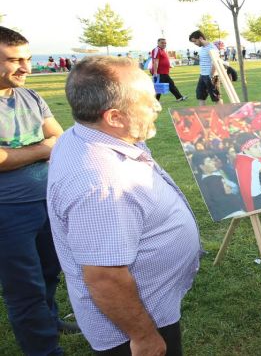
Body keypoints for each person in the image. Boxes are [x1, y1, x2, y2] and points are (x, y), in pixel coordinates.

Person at [47, 56, 202, 354]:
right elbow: (105, 278)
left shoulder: (89, 134)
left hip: (149, 304)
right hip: (132, 324)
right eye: (147, 101)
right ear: (114, 117)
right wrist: (143, 336)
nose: (157, 105)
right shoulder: (102, 184)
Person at [0, 26, 72, 356]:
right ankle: (43, 350)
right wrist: (43, 148)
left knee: (48, 271)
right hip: (8, 212)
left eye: (27, 59)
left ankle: (50, 319)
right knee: (23, 287)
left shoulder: (31, 96)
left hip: (48, 201)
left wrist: (23, 153)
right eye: (15, 60)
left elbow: (61, 136)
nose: (26, 68)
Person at [234, 133, 261, 212]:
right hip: (258, 199)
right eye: (255, 147)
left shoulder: (240, 157)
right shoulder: (252, 162)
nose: (260, 149)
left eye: (259, 145)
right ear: (245, 150)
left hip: (249, 197)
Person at [189, 30, 224, 106]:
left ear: (200, 38)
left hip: (211, 76)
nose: (195, 44)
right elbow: (205, 60)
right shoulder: (202, 48)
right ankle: (202, 116)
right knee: (200, 96)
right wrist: (196, 59)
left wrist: (212, 76)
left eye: (195, 41)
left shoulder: (212, 48)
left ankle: (222, 116)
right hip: (202, 75)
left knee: (216, 97)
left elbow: (216, 62)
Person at [151, 38, 188, 102]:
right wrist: (155, 72)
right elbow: (155, 61)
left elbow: (163, 60)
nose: (164, 44)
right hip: (159, 72)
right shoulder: (157, 50)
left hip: (164, 72)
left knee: (170, 84)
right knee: (159, 87)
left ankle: (179, 97)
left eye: (165, 43)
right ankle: (154, 102)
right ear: (158, 43)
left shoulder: (162, 50)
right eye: (162, 43)